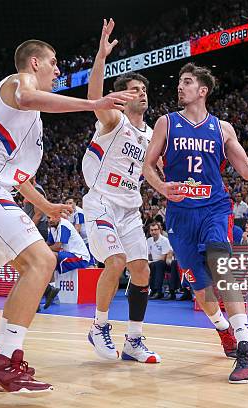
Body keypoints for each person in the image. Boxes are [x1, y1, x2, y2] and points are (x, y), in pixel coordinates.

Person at [0, 38, 135, 394]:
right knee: (42, 261)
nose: (59, 70)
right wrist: (93, 103)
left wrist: (45, 207)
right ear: (34, 63)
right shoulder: (18, 83)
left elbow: (22, 177)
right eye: (54, 62)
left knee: (31, 268)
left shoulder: (30, 122)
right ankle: (6, 359)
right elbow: (28, 97)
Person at [143, 62, 248, 383]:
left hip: (214, 208)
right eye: (179, 82)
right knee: (201, 290)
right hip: (179, 214)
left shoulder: (222, 128)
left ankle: (247, 347)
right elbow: (149, 165)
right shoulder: (166, 123)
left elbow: (245, 170)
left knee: (222, 265)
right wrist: (162, 187)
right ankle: (224, 330)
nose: (180, 87)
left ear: (202, 91)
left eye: (187, 82)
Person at [81, 20, 160, 363]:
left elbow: (155, 169)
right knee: (115, 261)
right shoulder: (114, 121)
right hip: (101, 203)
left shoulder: (153, 133)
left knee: (142, 270)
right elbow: (95, 97)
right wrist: (100, 56)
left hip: (130, 209)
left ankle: (134, 340)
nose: (140, 93)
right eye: (134, 89)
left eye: (143, 90)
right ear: (122, 97)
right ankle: (98, 326)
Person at [147, 222, 174, 299]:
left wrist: (152, 262)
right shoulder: (149, 240)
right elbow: (148, 255)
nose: (153, 232)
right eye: (151, 230)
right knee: (150, 265)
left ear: (159, 230)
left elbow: (164, 257)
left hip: (166, 262)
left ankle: (158, 291)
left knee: (158, 264)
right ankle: (152, 290)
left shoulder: (164, 240)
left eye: (155, 230)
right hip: (154, 262)